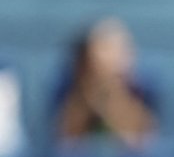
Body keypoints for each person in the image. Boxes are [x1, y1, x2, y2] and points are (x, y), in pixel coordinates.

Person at [55, 17, 157, 149]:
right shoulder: (70, 92)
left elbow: (141, 145)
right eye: (105, 49)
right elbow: (65, 146)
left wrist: (112, 99)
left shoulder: (141, 91)